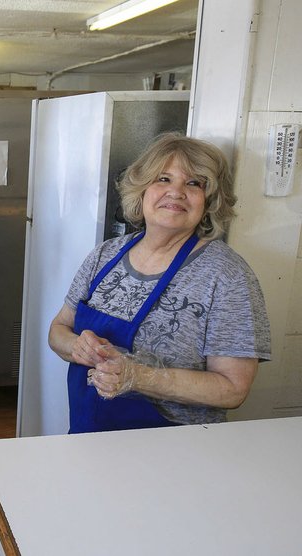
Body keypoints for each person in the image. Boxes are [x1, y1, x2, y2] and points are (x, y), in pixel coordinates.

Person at [48, 132, 271, 434]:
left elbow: (233, 389)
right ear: (141, 191)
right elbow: (58, 329)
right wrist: (78, 347)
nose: (176, 192)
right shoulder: (106, 255)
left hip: (174, 451)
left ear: (209, 201)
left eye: (194, 183)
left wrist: (137, 377)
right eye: (163, 179)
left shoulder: (226, 276)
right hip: (88, 435)